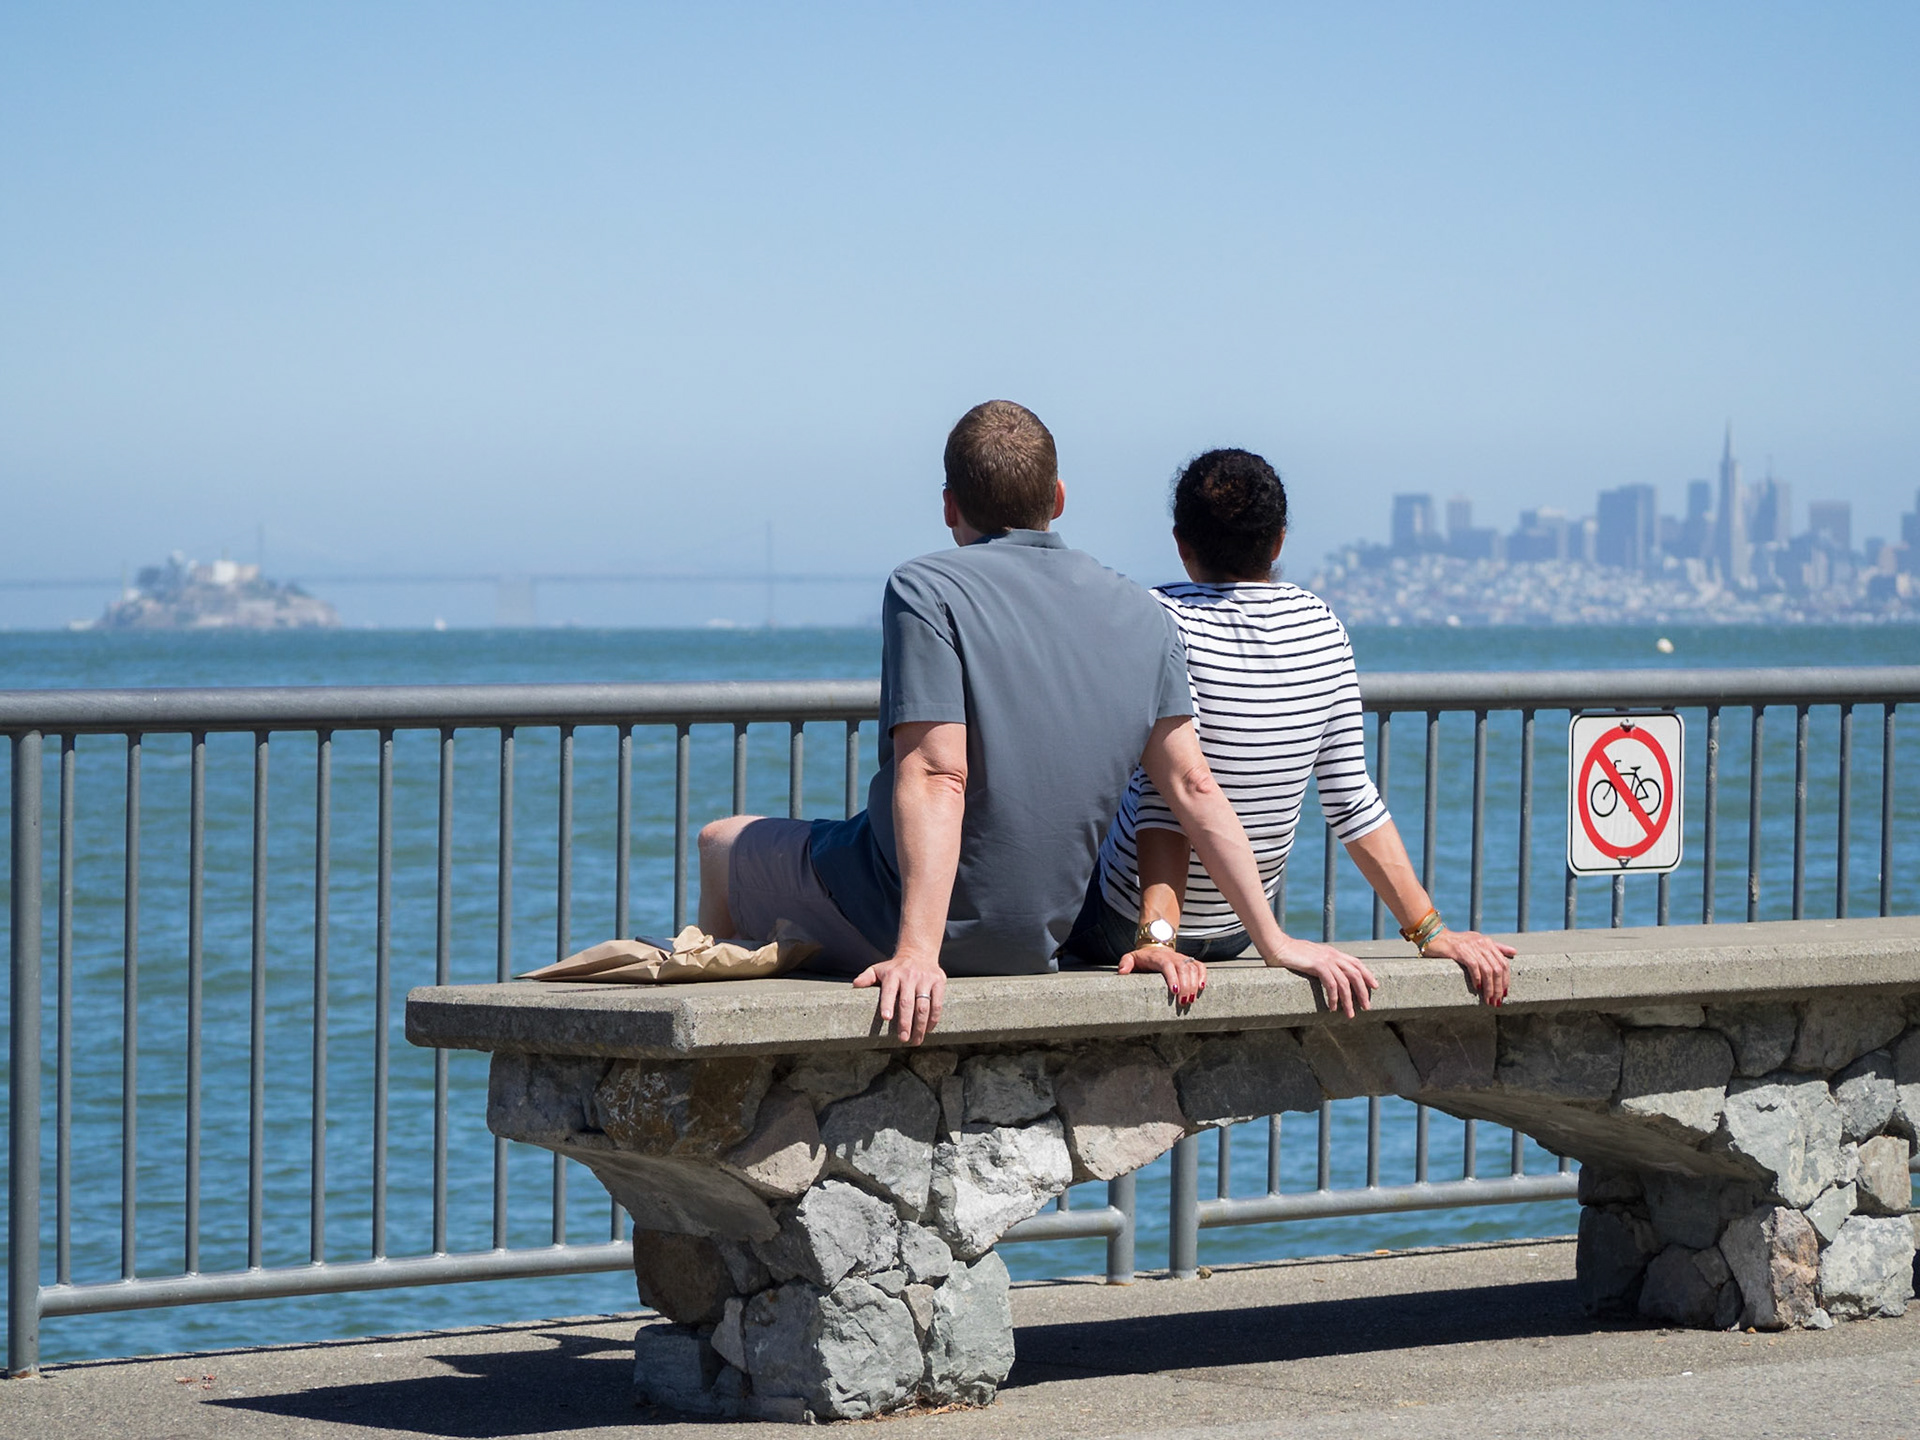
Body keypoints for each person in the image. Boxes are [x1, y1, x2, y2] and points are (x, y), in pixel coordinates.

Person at [696, 402, 1381, 1045]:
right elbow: (1195, 787)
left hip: (911, 918)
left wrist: (916, 954)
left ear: (949, 507)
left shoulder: (924, 588)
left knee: (723, 842)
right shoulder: (1140, 613)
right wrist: (1273, 940)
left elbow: (937, 773)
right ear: (1057, 499)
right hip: (1042, 935)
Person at [1063, 447, 1514, 1005]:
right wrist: (1431, 932)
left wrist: (1159, 939)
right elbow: (1352, 800)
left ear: (1182, 543)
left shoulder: (1157, 621)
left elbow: (1171, 795)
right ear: (1278, 541)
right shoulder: (1322, 626)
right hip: (1237, 931)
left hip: (1132, 925)